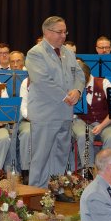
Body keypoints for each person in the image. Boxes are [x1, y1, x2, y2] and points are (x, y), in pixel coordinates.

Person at [26, 16, 85, 188]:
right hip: (45, 113)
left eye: (65, 32)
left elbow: (79, 75)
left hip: (65, 112)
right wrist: (66, 96)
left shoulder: (68, 52)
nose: (63, 36)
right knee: (42, 155)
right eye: (59, 32)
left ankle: (54, 189)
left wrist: (78, 90)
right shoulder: (35, 53)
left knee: (60, 153)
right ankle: (36, 193)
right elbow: (42, 81)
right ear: (47, 32)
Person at [72, 62, 111, 171]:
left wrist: (101, 126)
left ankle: (110, 171)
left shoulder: (104, 83)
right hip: (84, 121)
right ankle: (89, 171)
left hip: (109, 122)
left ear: (87, 76)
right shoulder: (73, 85)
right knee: (83, 136)